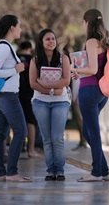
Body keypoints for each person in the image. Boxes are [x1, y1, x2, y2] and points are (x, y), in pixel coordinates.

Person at [0, 14, 30, 182]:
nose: (20, 29)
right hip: (7, 96)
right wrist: (16, 70)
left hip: (0, 95)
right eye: (19, 26)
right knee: (21, 131)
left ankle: (1, 173)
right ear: (12, 27)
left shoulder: (2, 45)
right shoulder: (5, 47)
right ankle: (12, 172)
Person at [72, 9, 109, 182]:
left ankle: (96, 173)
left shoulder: (91, 41)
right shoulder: (104, 41)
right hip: (102, 91)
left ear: (87, 22)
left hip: (90, 91)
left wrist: (75, 69)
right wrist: (80, 72)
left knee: (92, 132)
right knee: (89, 133)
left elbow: (92, 69)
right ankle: (104, 170)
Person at [29, 28, 71, 181]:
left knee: (57, 137)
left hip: (61, 102)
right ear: (41, 42)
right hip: (40, 102)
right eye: (47, 39)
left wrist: (46, 85)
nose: (51, 41)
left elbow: (66, 81)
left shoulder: (63, 59)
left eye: (53, 38)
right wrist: (53, 90)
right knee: (47, 138)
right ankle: (50, 171)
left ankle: (59, 170)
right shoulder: (35, 60)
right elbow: (33, 83)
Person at [17, 41, 40, 158]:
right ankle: (30, 150)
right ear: (30, 49)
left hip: (16, 93)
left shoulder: (15, 57)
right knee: (31, 121)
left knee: (15, 121)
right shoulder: (33, 59)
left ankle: (18, 147)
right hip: (29, 93)